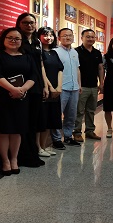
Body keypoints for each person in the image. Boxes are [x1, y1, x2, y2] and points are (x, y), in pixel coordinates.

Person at [0, 28, 37, 175]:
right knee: (3, 130)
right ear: (4, 39)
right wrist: (12, 89)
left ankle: (14, 159)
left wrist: (22, 89)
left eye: (17, 38)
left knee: (17, 130)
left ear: (22, 41)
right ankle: (5, 161)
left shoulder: (28, 57)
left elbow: (34, 76)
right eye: (10, 38)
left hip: (21, 98)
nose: (14, 41)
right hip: (1, 98)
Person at [15, 12, 46, 167]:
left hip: (36, 85)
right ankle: (23, 156)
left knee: (34, 121)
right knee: (24, 122)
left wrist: (45, 85)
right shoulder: (17, 40)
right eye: (26, 22)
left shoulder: (36, 41)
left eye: (32, 23)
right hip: (23, 84)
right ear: (19, 24)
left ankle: (33, 153)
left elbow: (41, 64)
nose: (29, 25)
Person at [52, 28, 81, 148]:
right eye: (64, 35)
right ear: (59, 38)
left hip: (74, 88)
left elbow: (77, 69)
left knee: (71, 115)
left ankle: (68, 137)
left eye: (70, 35)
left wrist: (79, 84)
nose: (68, 37)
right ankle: (56, 139)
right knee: (57, 114)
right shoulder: (55, 52)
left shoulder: (75, 52)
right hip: (62, 88)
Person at [37, 26, 64, 156]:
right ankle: (38, 148)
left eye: (51, 35)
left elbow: (60, 69)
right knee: (41, 120)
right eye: (45, 35)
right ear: (39, 36)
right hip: (45, 90)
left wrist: (59, 87)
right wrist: (50, 87)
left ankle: (44, 146)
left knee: (50, 120)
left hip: (55, 91)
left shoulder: (54, 53)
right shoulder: (38, 52)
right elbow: (41, 71)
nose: (49, 38)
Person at [73, 29, 104, 141]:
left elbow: (100, 68)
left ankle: (90, 131)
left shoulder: (97, 53)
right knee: (79, 110)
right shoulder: (76, 52)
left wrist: (101, 83)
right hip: (81, 87)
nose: (90, 39)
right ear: (82, 38)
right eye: (88, 37)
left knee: (91, 110)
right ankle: (76, 132)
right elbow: (75, 69)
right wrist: (78, 85)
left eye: (92, 37)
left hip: (93, 86)